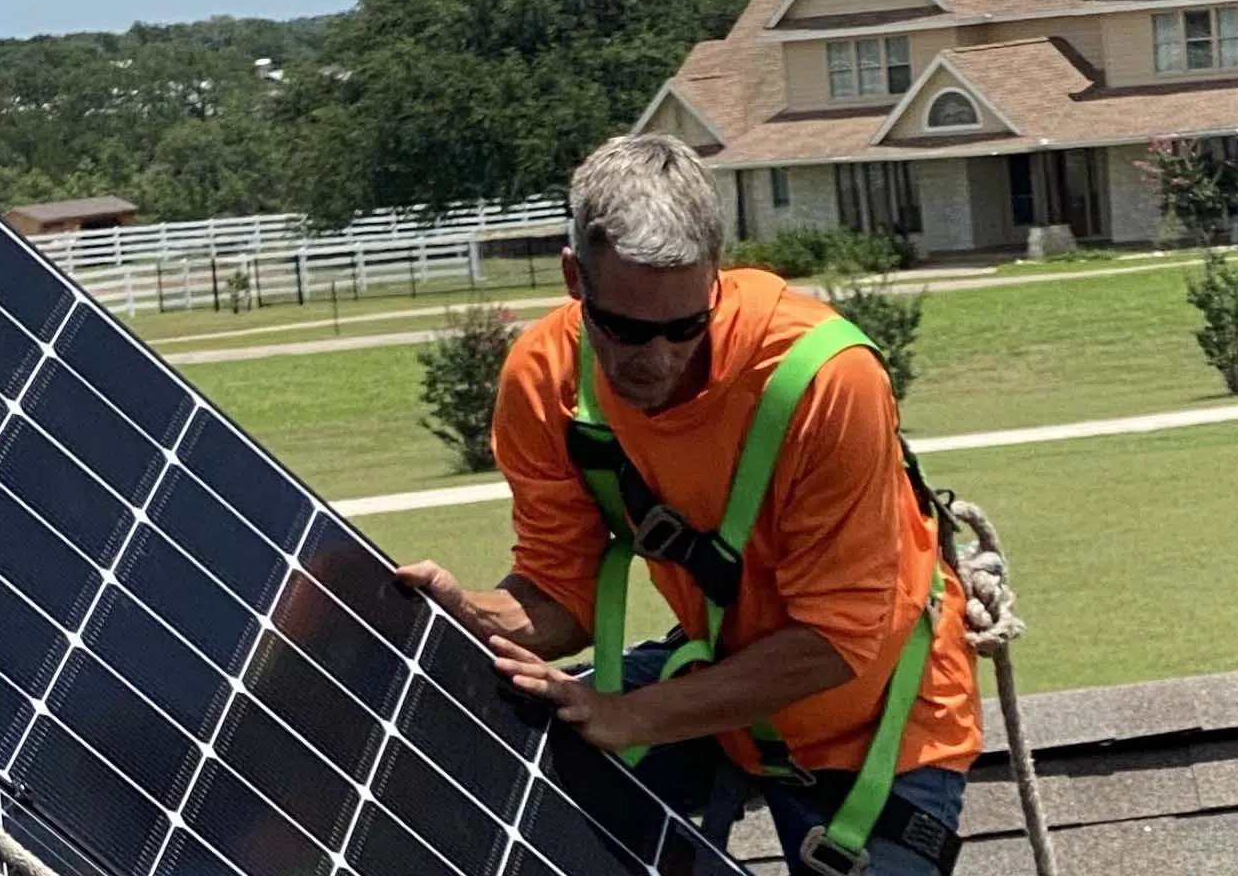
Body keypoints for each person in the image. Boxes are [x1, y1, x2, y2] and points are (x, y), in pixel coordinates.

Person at [396, 135, 980, 874]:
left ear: (715, 280)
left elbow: (838, 642)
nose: (658, 359)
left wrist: (631, 716)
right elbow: (560, 595)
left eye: (685, 328)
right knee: (478, 787)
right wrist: (471, 618)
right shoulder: (545, 378)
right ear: (575, 278)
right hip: (718, 686)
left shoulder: (825, 380)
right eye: (627, 330)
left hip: (879, 725)